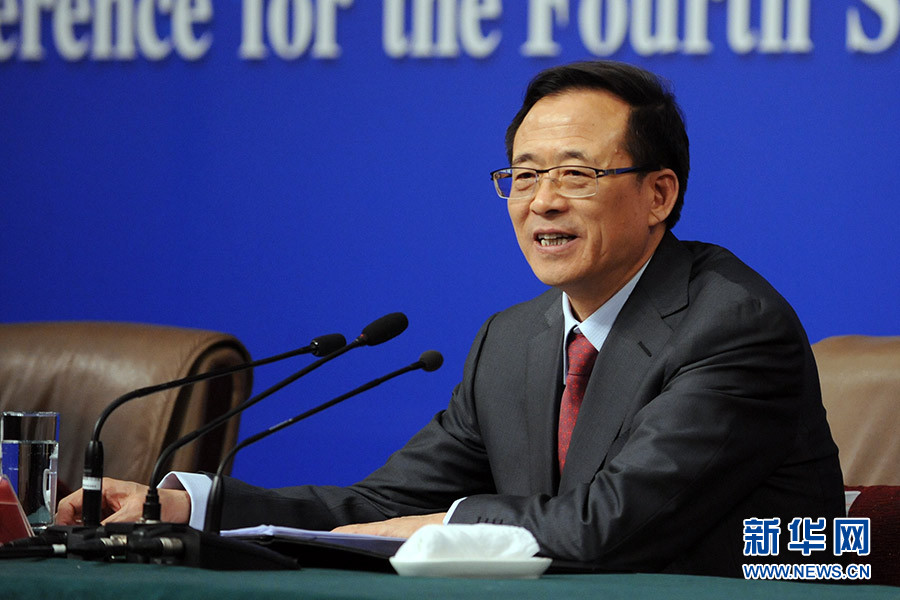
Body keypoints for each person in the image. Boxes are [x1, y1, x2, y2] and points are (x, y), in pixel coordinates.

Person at [57, 60, 844, 577]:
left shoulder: (731, 326)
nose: (543, 201)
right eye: (524, 175)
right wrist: (185, 506)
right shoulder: (515, 340)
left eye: (575, 174)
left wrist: (441, 525)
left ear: (658, 195)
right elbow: (382, 507)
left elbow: (608, 527)